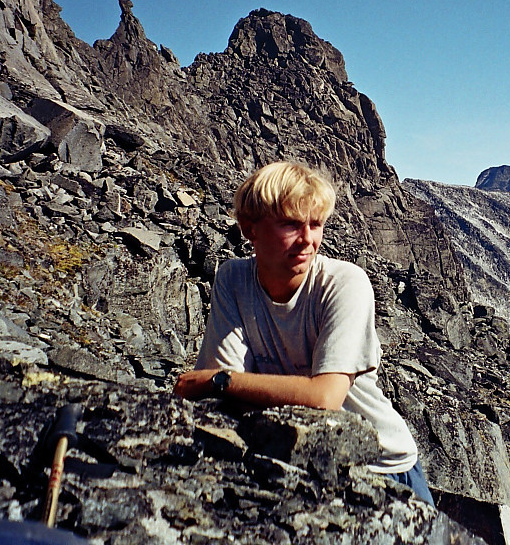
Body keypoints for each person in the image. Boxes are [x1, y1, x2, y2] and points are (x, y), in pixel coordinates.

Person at [174, 161, 433, 505]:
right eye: (291, 225)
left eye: (316, 224)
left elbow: (325, 398)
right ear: (249, 228)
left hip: (380, 467)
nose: (308, 240)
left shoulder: (344, 284)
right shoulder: (233, 280)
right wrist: (223, 383)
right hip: (293, 463)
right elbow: (224, 396)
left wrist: (220, 381)